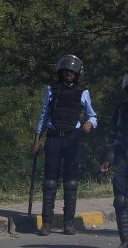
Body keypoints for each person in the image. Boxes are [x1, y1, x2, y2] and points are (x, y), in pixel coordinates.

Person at [31, 54, 98, 236]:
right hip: (53, 137)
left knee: (71, 181)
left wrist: (90, 124)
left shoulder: (83, 92)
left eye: (72, 71)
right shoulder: (51, 90)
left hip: (72, 138)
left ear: (77, 74)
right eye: (66, 71)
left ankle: (68, 222)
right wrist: (37, 140)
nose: (69, 73)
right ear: (61, 72)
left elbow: (92, 115)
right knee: (50, 181)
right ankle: (47, 222)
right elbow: (44, 115)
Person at [100, 67, 128, 248]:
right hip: (124, 158)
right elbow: (117, 135)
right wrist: (110, 158)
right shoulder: (122, 109)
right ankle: (126, 242)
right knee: (120, 200)